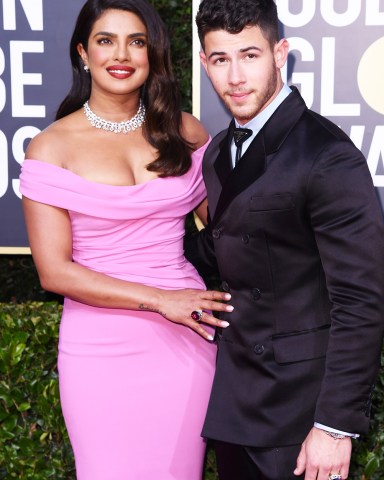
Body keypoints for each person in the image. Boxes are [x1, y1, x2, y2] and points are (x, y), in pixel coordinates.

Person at [19, 0, 234, 478]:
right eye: (105, 40)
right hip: (100, 345)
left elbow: (228, 232)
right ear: (82, 53)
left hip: (186, 338)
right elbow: (54, 272)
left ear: (153, 53)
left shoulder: (184, 131)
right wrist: (161, 300)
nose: (121, 54)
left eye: (136, 41)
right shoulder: (51, 146)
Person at [187, 0, 384, 479]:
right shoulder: (217, 153)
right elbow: (223, 251)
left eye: (249, 56)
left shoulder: (327, 154)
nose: (235, 76)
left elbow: (360, 301)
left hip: (300, 413)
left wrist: (335, 426)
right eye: (220, 59)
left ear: (281, 54)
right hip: (237, 402)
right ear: (204, 64)